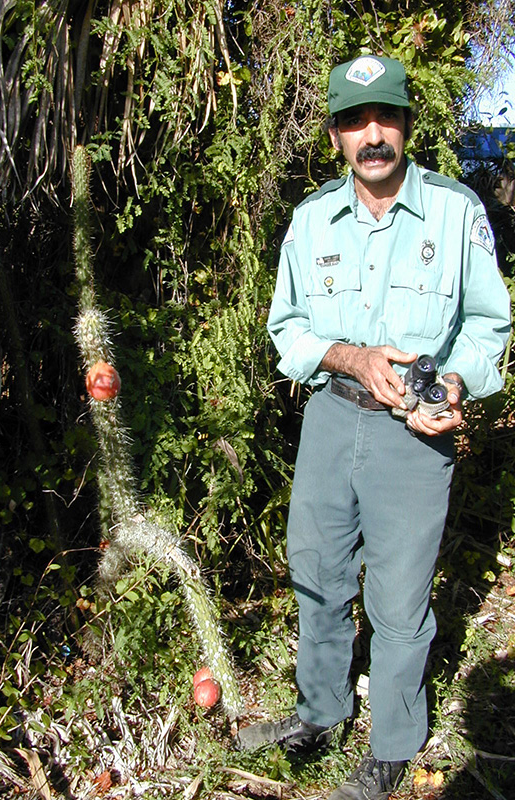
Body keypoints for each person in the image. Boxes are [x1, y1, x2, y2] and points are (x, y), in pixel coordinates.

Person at [234, 55, 511, 800]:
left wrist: (455, 380)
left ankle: (392, 743)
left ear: (409, 126)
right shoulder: (310, 220)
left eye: (385, 116)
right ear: (334, 136)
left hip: (413, 440)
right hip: (330, 419)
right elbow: (286, 331)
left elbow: (491, 326)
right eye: (355, 121)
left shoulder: (457, 214)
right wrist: (348, 356)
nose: (373, 134)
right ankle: (319, 713)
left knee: (398, 601)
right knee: (318, 578)